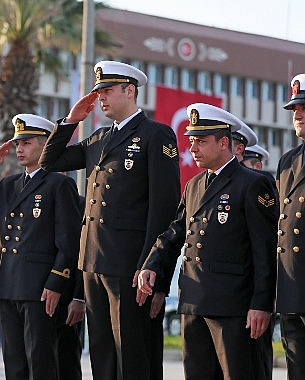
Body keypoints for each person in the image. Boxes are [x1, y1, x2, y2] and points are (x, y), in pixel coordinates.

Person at [39, 60, 181, 380]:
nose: (100, 97)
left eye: (107, 90)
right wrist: (71, 121)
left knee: (130, 352)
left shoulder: (155, 134)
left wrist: (151, 264)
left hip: (130, 264)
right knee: (102, 351)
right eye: (98, 91)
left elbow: (163, 207)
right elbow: (50, 161)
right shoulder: (99, 138)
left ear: (129, 91)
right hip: (92, 260)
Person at [137, 103, 278, 379]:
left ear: (224, 142)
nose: (193, 148)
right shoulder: (194, 185)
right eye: (191, 141)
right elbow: (175, 232)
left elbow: (265, 250)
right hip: (194, 302)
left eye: (201, 141)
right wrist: (151, 264)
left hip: (233, 309)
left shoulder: (251, 184)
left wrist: (261, 304)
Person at [0, 113, 81, 380]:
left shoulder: (59, 184)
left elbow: (69, 241)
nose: (20, 149)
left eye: (27, 142)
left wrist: (56, 281)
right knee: (14, 364)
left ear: (45, 143)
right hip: (8, 285)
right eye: (18, 143)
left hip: (39, 289)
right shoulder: (8, 184)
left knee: (40, 361)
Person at [276, 73, 305, 379]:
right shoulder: (289, 162)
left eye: (304, 107)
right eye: (295, 108)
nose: (297, 114)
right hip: (292, 289)